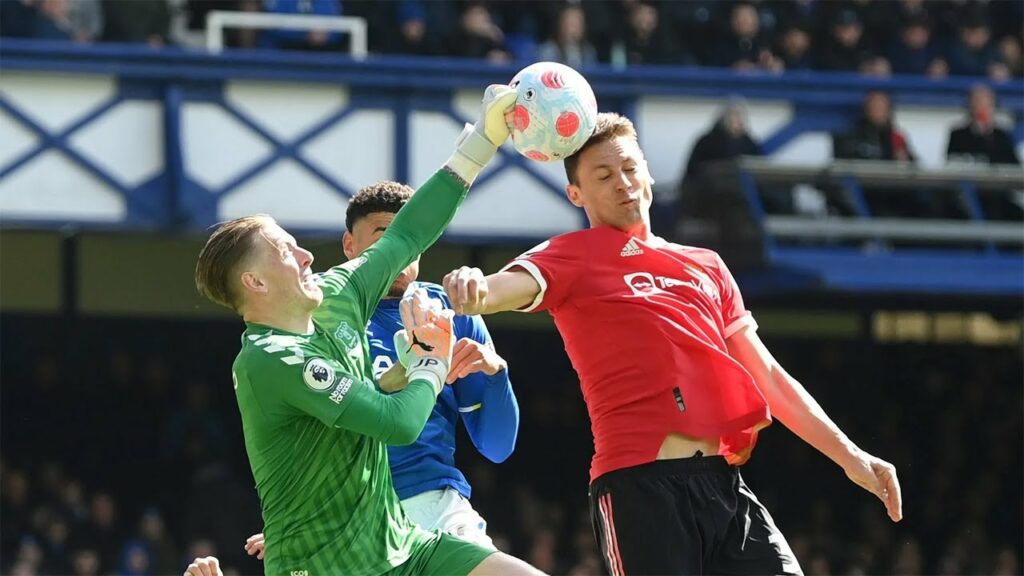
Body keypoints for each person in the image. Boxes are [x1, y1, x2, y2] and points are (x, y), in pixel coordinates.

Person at [441, 112, 903, 575]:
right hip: (639, 486)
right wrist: (474, 284)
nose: (622, 183)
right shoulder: (570, 255)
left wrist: (851, 456)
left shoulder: (707, 266)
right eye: (603, 175)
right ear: (576, 194)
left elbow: (769, 377)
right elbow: (500, 288)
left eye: (629, 168)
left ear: (649, 174)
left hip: (723, 485)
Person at [191, 85, 543, 576]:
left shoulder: (337, 292)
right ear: (255, 281)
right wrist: (428, 361)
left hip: (402, 541)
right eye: (286, 251)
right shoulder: (271, 358)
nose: (307, 256)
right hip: (329, 565)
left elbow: (406, 234)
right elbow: (395, 423)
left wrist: (482, 140)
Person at [240, 181, 520, 560]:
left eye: (409, 240)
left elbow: (498, 448)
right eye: (386, 237)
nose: (400, 253)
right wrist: (300, 521)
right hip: (347, 518)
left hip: (434, 501)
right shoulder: (316, 309)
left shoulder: (447, 313)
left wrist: (495, 375)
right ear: (349, 246)